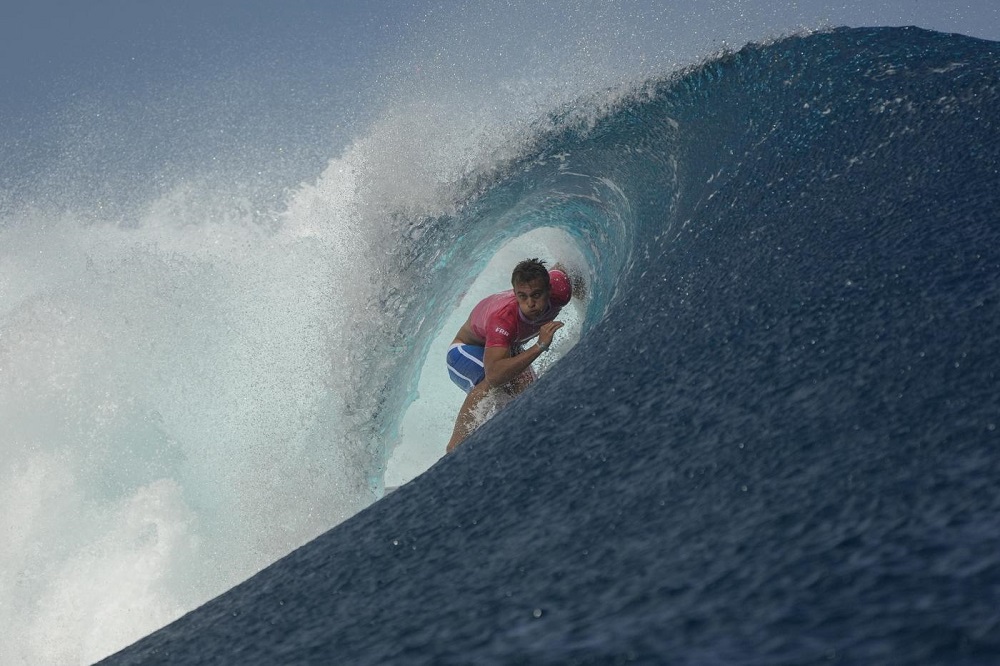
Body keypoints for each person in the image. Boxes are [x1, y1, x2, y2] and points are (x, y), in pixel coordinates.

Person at [445, 258, 578, 452]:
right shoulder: (504, 318)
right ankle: (454, 451)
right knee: (494, 385)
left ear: (549, 290)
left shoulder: (561, 290)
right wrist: (539, 346)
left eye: (536, 295)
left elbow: (565, 268)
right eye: (522, 297)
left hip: (506, 348)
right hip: (465, 352)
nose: (530, 303)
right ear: (515, 295)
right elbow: (494, 374)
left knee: (529, 397)